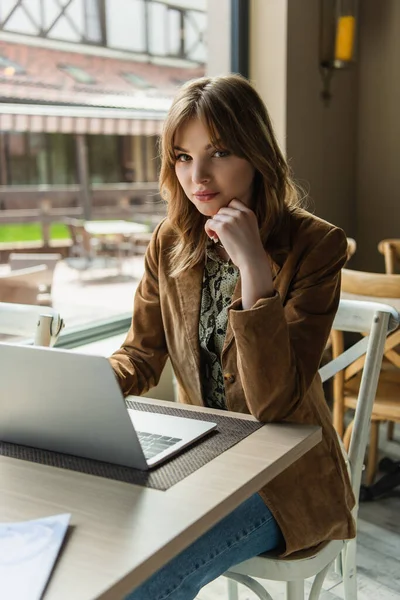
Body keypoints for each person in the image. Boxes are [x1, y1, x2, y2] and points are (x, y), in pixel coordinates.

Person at [109, 74, 355, 600]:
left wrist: (254, 272)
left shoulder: (317, 246)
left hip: (285, 479)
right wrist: (78, 391)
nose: (197, 176)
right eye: (181, 155)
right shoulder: (171, 239)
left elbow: (275, 404)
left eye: (217, 151)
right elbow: (141, 354)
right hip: (199, 459)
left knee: (147, 579)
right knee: (102, 550)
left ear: (256, 152)